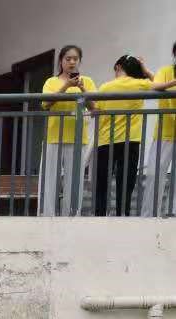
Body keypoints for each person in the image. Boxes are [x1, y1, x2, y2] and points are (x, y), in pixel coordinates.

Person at [94, 55, 176, 216]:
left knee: (102, 182)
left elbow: (96, 110)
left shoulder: (105, 87)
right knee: (126, 183)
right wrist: (163, 78)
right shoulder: (139, 84)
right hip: (130, 140)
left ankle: (99, 215)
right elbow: (160, 86)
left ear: (118, 67)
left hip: (105, 140)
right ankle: (122, 215)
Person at [40, 45, 97, 217]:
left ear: (79, 61)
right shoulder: (51, 82)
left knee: (74, 181)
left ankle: (71, 217)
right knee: (49, 180)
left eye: (75, 59)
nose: (72, 62)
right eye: (68, 59)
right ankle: (47, 217)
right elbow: (45, 104)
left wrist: (82, 89)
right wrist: (66, 86)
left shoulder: (87, 81)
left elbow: (95, 108)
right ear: (61, 61)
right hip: (53, 136)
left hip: (78, 137)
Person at [143, 42, 176, 217]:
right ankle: (150, 215)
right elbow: (154, 86)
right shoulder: (165, 71)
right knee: (154, 173)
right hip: (165, 131)